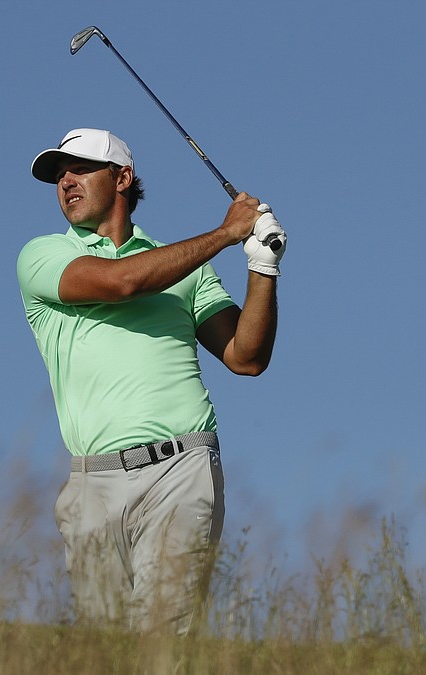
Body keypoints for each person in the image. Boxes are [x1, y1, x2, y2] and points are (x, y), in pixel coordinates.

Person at [16, 128, 286, 634]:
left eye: (80, 168)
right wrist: (225, 234)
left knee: (161, 644)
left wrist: (262, 264)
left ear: (123, 177)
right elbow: (123, 282)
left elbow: (246, 356)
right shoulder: (42, 256)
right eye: (58, 174)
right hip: (90, 482)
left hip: (179, 471)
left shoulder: (185, 268)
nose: (65, 181)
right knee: (105, 653)